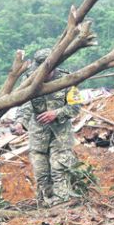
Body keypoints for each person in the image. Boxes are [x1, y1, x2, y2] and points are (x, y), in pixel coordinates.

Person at [12, 48, 81, 208]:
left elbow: (76, 107)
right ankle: (45, 205)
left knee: (59, 169)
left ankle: (63, 204)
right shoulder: (29, 79)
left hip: (61, 135)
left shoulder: (67, 79)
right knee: (41, 173)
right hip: (38, 135)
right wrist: (20, 122)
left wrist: (56, 113)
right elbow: (25, 104)